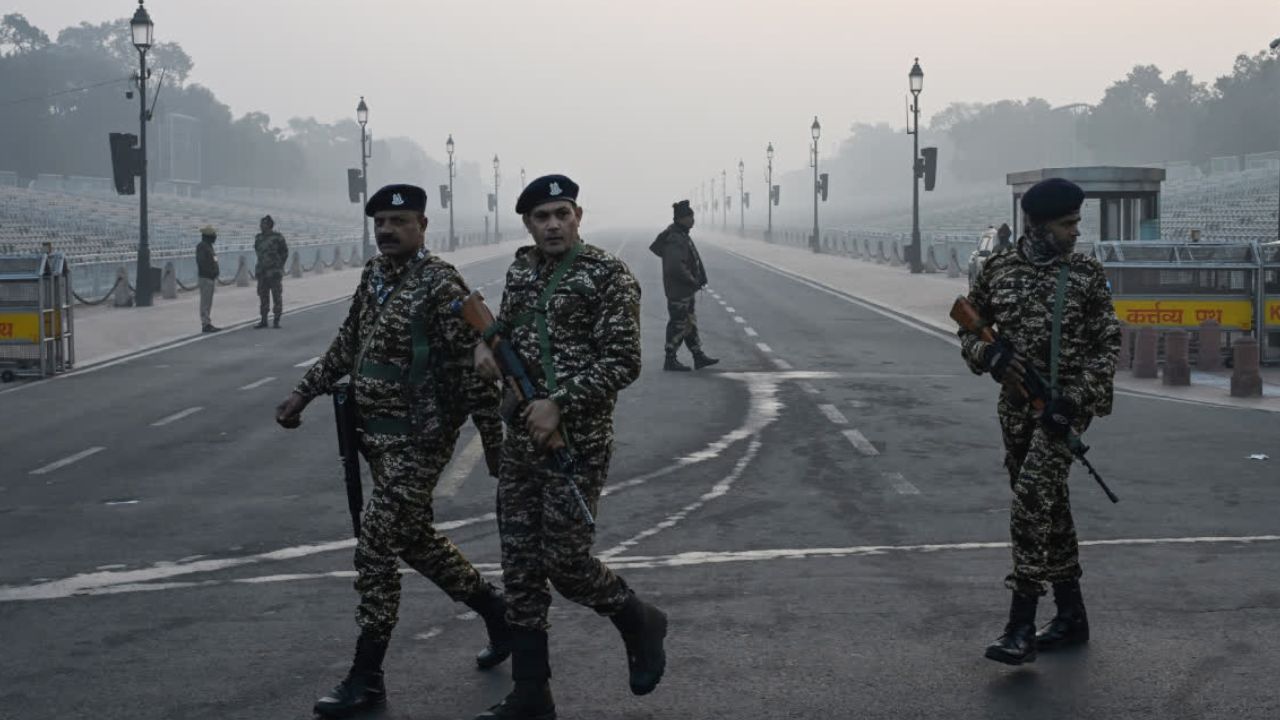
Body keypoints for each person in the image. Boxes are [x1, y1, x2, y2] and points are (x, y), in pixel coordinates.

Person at [274, 184, 510, 718]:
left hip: (421, 440)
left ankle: (367, 676)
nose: (386, 231)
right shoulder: (374, 276)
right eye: (380, 221)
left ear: (422, 226)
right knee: (414, 540)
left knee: (376, 543)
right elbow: (347, 342)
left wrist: (493, 447)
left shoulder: (440, 283)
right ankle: (497, 612)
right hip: (374, 436)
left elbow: (477, 372)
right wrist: (305, 391)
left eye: (398, 221)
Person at [472, 175, 668, 719]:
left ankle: (638, 620)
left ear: (578, 215)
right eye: (541, 217)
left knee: (566, 563)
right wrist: (483, 346)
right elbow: (503, 329)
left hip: (575, 442)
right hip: (522, 442)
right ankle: (533, 692)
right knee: (519, 567)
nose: (552, 224)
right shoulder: (520, 270)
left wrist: (560, 402)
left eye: (561, 213)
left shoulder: (607, 275)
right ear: (528, 224)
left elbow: (624, 361)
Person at [958, 178, 1121, 666]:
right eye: (1067, 224)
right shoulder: (997, 270)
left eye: (1076, 223)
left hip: (1064, 408)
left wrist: (1072, 401)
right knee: (1048, 505)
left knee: (1032, 498)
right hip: (1015, 407)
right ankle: (1071, 613)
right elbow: (967, 332)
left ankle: (1021, 622)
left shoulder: (1087, 273)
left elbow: (1107, 346)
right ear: (1037, 225)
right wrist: (989, 354)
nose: (1076, 232)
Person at [649, 200, 717, 371]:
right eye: (690, 217)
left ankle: (698, 356)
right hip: (679, 291)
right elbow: (675, 266)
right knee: (678, 324)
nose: (693, 220)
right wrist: (692, 280)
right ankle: (670, 359)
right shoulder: (675, 238)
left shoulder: (681, 234)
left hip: (684, 290)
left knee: (689, 324)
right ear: (681, 219)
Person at [254, 215, 289, 329]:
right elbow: (257, 252)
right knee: (263, 296)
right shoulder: (258, 238)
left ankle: (276, 320)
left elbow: (284, 252)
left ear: (269, 225)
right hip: (262, 272)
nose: (260, 226)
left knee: (276, 296)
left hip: (274, 273)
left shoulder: (277, 238)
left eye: (263, 224)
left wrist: (279, 265)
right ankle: (263, 320)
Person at [195, 226, 220, 333]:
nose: (215, 237)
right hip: (206, 277)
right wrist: (210, 272)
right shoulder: (202, 247)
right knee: (205, 302)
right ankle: (205, 323)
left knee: (208, 302)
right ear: (208, 236)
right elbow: (202, 262)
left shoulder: (208, 246)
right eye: (213, 235)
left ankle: (207, 322)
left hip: (210, 277)